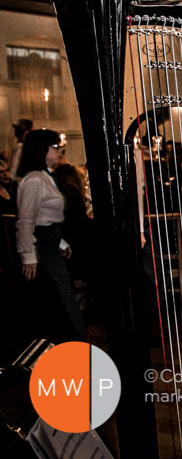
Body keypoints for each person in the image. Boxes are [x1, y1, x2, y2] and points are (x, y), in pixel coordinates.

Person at [16, 129, 86, 340]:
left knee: (62, 298)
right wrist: (28, 256)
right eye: (54, 146)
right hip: (41, 251)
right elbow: (27, 221)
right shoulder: (35, 180)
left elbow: (47, 218)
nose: (59, 150)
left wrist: (60, 242)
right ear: (41, 150)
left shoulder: (46, 176)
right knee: (55, 303)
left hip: (50, 243)